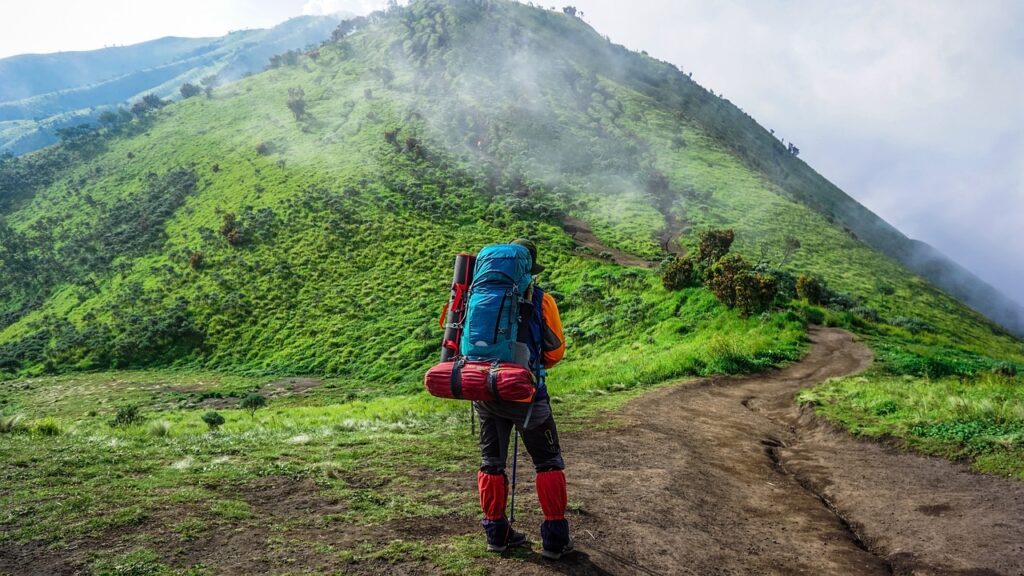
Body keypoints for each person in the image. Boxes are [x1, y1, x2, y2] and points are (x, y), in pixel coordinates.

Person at [474, 238, 573, 560]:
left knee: (491, 464)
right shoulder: (541, 300)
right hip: (526, 394)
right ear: (528, 268)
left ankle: (496, 535)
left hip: (484, 389)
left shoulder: (474, 295)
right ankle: (554, 541)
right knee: (548, 463)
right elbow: (555, 352)